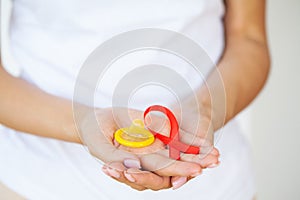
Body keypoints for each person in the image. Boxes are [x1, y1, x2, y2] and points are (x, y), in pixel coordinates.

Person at [0, 0, 270, 199]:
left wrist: (205, 109)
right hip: (38, 182)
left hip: (217, 186)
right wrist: (82, 122)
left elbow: (249, 37)